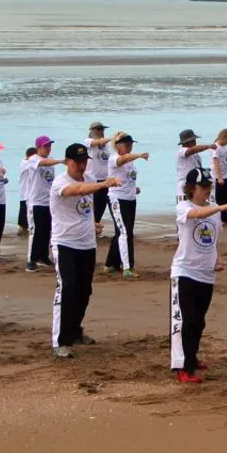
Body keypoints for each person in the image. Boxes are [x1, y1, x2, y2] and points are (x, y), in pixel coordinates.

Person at [50, 143, 122, 358]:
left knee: (84, 291)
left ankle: (74, 331)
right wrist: (103, 184)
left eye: (84, 162)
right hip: (64, 244)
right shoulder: (60, 182)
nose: (82, 166)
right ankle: (60, 341)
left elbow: (85, 204)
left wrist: (93, 224)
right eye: (77, 162)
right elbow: (76, 191)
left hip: (87, 244)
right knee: (67, 288)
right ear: (67, 162)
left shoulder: (89, 179)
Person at [170, 169, 227, 383]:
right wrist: (221, 207)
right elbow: (197, 215)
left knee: (199, 321)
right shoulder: (184, 206)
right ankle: (182, 367)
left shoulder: (213, 210)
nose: (207, 190)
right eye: (203, 186)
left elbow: (212, 240)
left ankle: (192, 357)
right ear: (192, 188)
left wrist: (215, 260)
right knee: (187, 321)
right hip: (185, 271)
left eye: (209, 186)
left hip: (206, 274)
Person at [104, 134, 148, 279]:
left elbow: (127, 178)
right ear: (118, 145)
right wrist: (139, 155)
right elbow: (122, 160)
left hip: (130, 198)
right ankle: (128, 267)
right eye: (126, 144)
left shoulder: (130, 162)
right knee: (124, 232)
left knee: (124, 230)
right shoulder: (114, 158)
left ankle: (111, 264)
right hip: (117, 199)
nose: (129, 147)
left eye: (131, 144)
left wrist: (134, 188)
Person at [20, 137, 61, 272]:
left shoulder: (50, 161)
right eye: (45, 146)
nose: (48, 148)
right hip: (35, 201)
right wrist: (61, 161)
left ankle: (43, 256)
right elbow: (42, 162)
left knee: (46, 230)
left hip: (47, 201)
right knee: (35, 230)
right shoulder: (33, 159)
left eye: (49, 146)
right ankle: (31, 260)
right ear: (38, 147)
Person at [86, 122, 113, 229]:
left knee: (101, 207)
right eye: (98, 129)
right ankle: (89, 230)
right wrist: (114, 137)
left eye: (102, 129)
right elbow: (98, 141)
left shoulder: (105, 147)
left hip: (105, 180)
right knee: (93, 208)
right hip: (93, 180)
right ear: (91, 131)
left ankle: (95, 229)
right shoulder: (88, 142)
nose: (101, 131)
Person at [174, 129, 213, 202]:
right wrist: (208, 146)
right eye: (193, 140)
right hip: (184, 188)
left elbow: (197, 169)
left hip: (195, 187)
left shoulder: (196, 155)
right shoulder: (182, 151)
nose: (195, 142)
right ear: (188, 142)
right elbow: (191, 150)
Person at [210, 129, 227, 223]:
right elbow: (216, 163)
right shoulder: (216, 148)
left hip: (225, 175)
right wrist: (219, 177)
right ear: (224, 137)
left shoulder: (223, 147)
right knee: (219, 198)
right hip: (217, 177)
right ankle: (220, 218)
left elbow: (223, 161)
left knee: (226, 196)